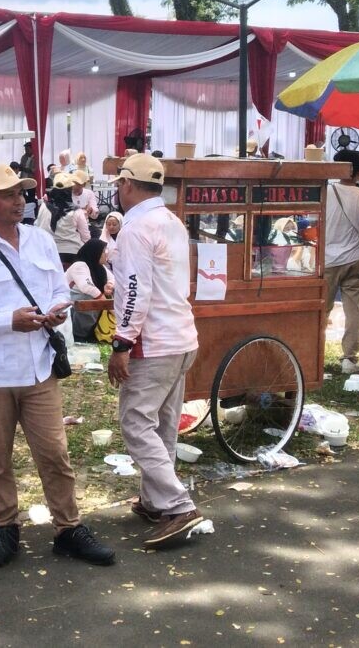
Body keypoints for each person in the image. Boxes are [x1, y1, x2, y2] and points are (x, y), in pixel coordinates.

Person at [0, 164, 114, 568]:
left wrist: (57, 311)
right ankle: (5, 527)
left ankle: (68, 528)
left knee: (54, 453)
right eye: (9, 195)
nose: (20, 201)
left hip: (39, 366)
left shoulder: (40, 241)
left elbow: (59, 289)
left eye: (22, 193)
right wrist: (7, 320)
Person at [107, 152, 206, 548]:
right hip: (182, 337)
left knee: (135, 423)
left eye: (118, 184)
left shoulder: (135, 229)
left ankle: (178, 505)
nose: (117, 190)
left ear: (128, 184)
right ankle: (155, 500)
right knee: (162, 425)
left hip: (156, 342)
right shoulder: (170, 221)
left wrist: (121, 343)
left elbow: (135, 292)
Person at [322, 150, 359, 376]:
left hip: (327, 260)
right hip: (356, 259)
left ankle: (314, 355)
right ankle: (349, 358)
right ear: (357, 171)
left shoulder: (324, 192)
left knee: (321, 311)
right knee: (354, 310)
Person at [65, 238, 112, 338]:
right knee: (88, 298)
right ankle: (80, 335)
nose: (106, 254)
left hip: (88, 305)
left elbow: (112, 279)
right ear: (95, 252)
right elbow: (86, 286)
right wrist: (103, 300)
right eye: (103, 251)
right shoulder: (79, 265)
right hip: (71, 304)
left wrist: (109, 286)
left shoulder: (100, 267)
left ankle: (96, 332)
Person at [44, 174, 89, 268]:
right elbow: (86, 237)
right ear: (70, 190)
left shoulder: (44, 208)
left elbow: (39, 228)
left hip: (50, 252)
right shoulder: (77, 211)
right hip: (73, 254)